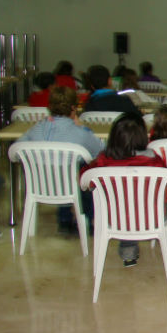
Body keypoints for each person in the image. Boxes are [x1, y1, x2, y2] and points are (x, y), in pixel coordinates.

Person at [80, 113, 167, 267]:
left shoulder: (102, 161)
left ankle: (128, 253)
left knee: (123, 208)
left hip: (113, 217)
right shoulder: (155, 162)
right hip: (153, 217)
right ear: (144, 136)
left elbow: (84, 181)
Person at [18, 86, 104, 232]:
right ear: (73, 108)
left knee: (59, 166)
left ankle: (64, 219)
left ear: (49, 107)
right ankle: (88, 220)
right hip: (71, 186)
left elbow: (17, 148)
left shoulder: (37, 128)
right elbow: (101, 151)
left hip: (39, 185)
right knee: (84, 167)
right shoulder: (80, 133)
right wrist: (83, 127)